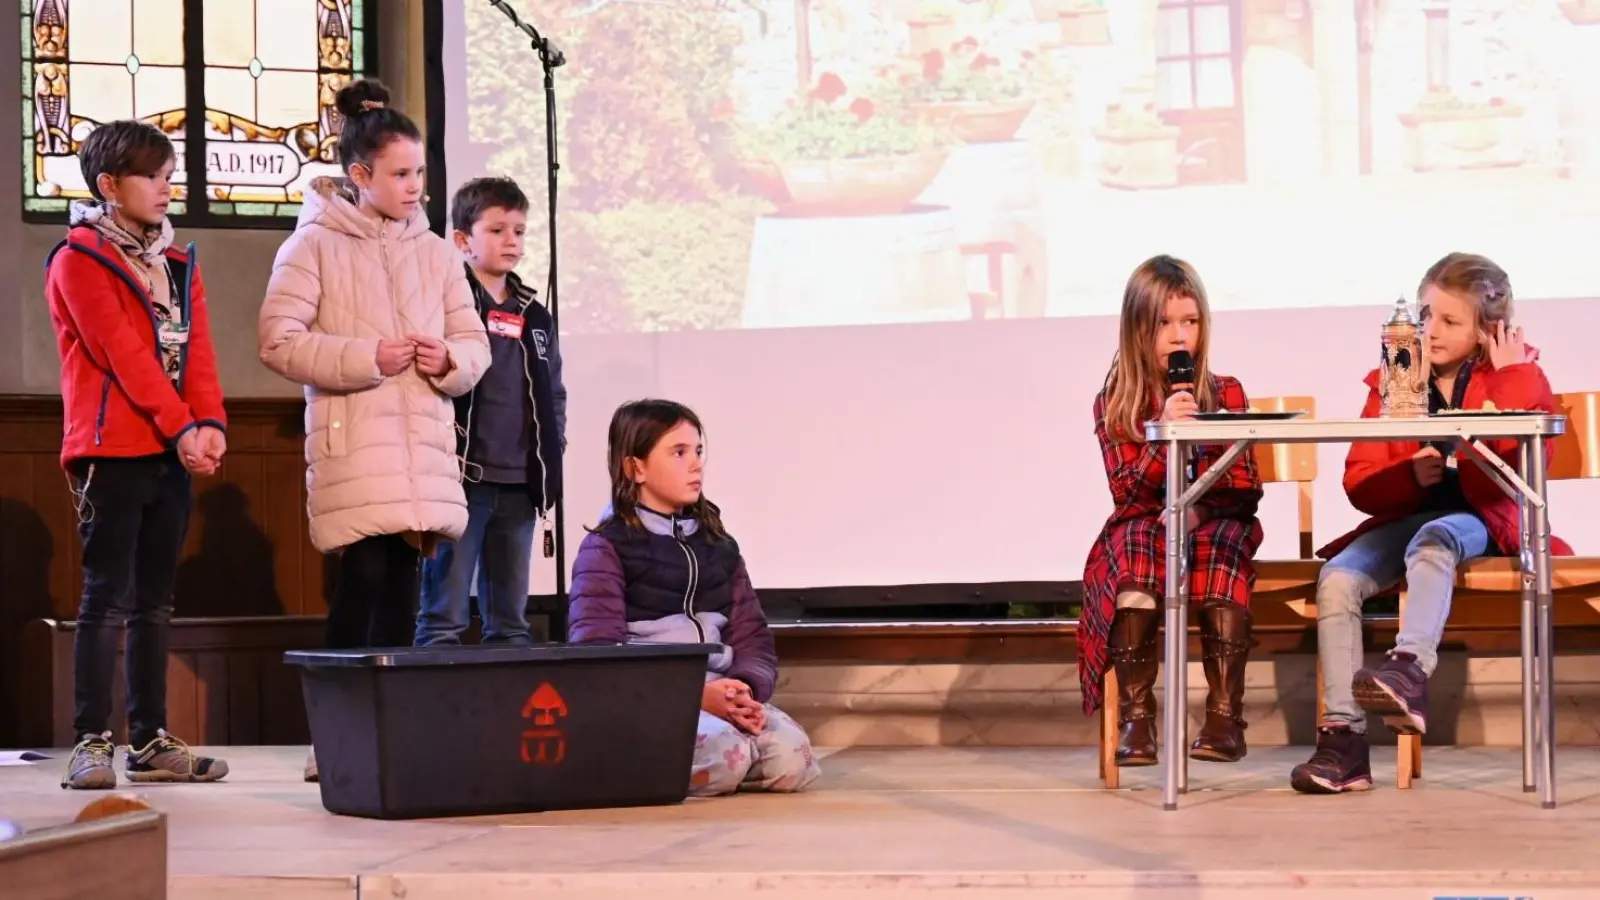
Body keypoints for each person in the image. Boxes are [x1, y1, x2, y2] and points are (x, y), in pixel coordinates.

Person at [258, 78, 491, 781]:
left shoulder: (438, 254)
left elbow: (474, 345)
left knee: (402, 588)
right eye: (399, 174)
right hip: (356, 443)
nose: (415, 186)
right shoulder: (314, 244)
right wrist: (366, 357)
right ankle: (333, 735)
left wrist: (447, 359)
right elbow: (277, 341)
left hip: (420, 449)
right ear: (360, 175)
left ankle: (391, 735)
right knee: (358, 584)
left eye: (420, 172)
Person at [1291, 253, 1571, 794]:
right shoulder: (1396, 377)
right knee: (1340, 579)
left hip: (1482, 520)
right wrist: (1409, 475)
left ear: (1488, 328)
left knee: (1433, 540)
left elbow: (1512, 457)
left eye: (1450, 320)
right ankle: (1343, 743)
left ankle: (1409, 670)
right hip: (1410, 516)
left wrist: (1512, 372)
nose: (1432, 330)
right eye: (1427, 315)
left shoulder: (1520, 375)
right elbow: (1359, 481)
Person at [45, 119, 230, 788]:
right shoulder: (79, 258)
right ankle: (92, 740)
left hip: (170, 446)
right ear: (108, 186)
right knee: (106, 596)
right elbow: (123, 356)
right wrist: (181, 428)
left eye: (168, 175)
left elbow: (197, 351)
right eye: (152, 177)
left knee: (156, 600)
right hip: (110, 448)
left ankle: (149, 740)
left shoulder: (177, 263)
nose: (165, 187)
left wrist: (209, 423)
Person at [567, 399, 821, 797]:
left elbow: (752, 636)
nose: (696, 464)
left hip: (722, 692)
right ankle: (621, 758)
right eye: (679, 452)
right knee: (724, 758)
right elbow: (598, 654)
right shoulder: (606, 546)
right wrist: (693, 695)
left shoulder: (719, 545)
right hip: (654, 697)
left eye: (698, 451)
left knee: (794, 760)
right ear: (636, 468)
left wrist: (742, 690)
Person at [1080, 255, 1265, 768]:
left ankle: (1226, 716)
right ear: (1137, 329)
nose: (1179, 336)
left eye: (1190, 321)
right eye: (1164, 324)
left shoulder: (1225, 392)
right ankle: (1137, 718)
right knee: (1133, 561)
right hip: (1147, 521)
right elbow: (1128, 492)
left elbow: (1245, 487)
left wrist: (1200, 512)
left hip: (1213, 521)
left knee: (1220, 554)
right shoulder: (1116, 401)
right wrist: (1163, 433)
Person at [414, 177, 566, 647]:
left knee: (511, 623)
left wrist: (552, 451)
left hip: (520, 484)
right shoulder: (446, 305)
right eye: (497, 230)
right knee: (444, 616)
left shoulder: (535, 315)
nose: (512, 241)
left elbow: (553, 393)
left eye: (519, 231)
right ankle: (435, 715)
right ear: (462, 240)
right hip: (463, 483)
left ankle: (507, 718)